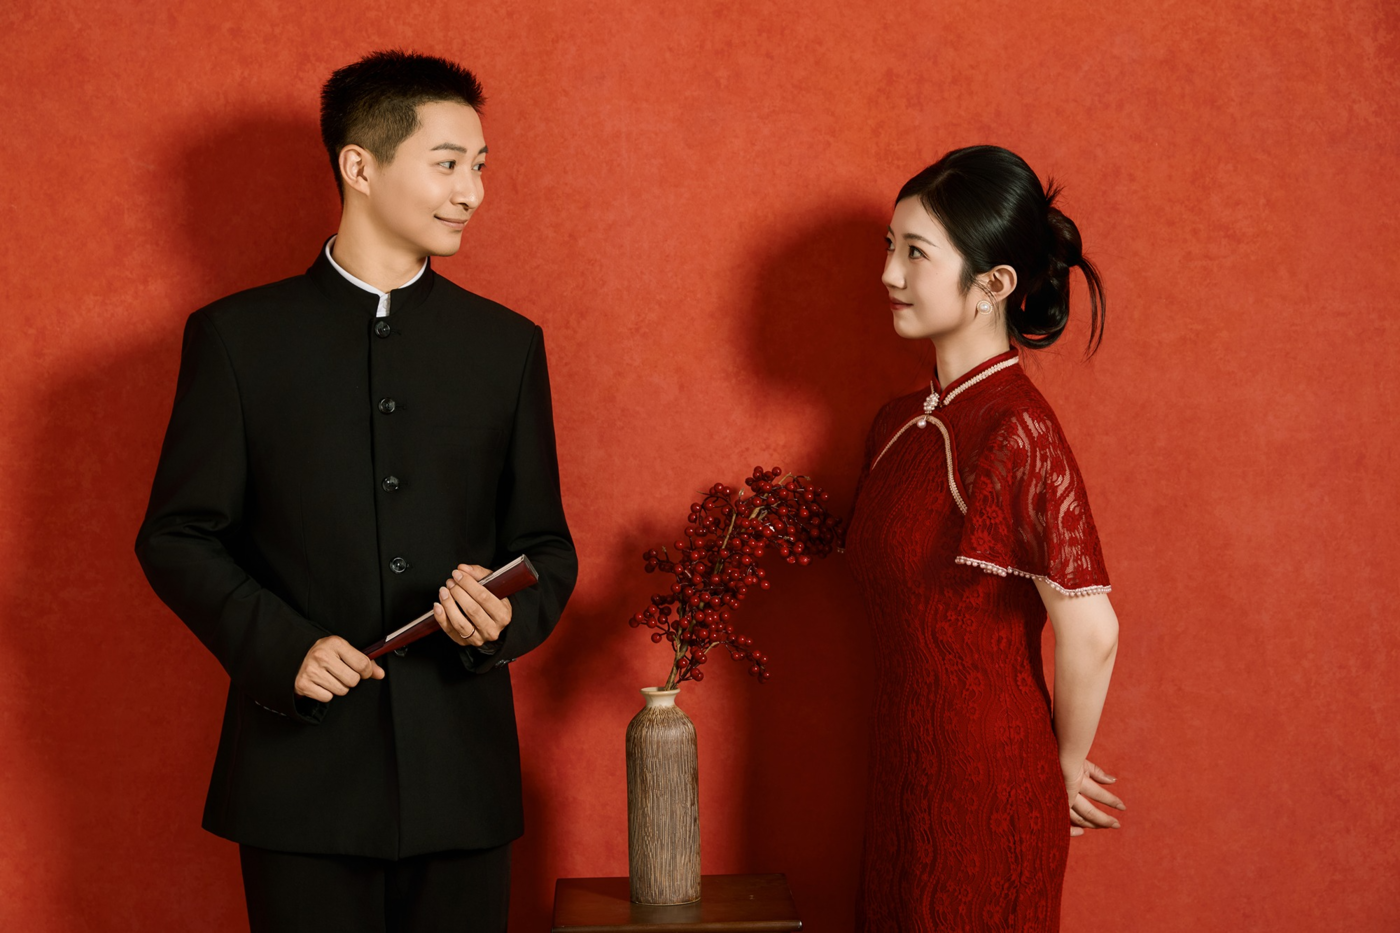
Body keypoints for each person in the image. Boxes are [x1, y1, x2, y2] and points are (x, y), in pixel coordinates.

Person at [134, 50, 577, 932]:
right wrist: (282, 646)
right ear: (360, 166)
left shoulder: (506, 347)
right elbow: (176, 534)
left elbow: (547, 548)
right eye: (447, 163)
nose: (472, 192)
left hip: (463, 780)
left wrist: (502, 619)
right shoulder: (236, 339)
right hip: (297, 782)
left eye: (480, 166)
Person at [844, 145, 1126, 932]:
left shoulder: (1016, 428)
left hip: (989, 784)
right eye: (890, 246)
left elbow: (1092, 630)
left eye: (915, 253)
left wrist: (1061, 769)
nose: (888, 273)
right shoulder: (897, 422)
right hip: (902, 771)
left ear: (995, 284)